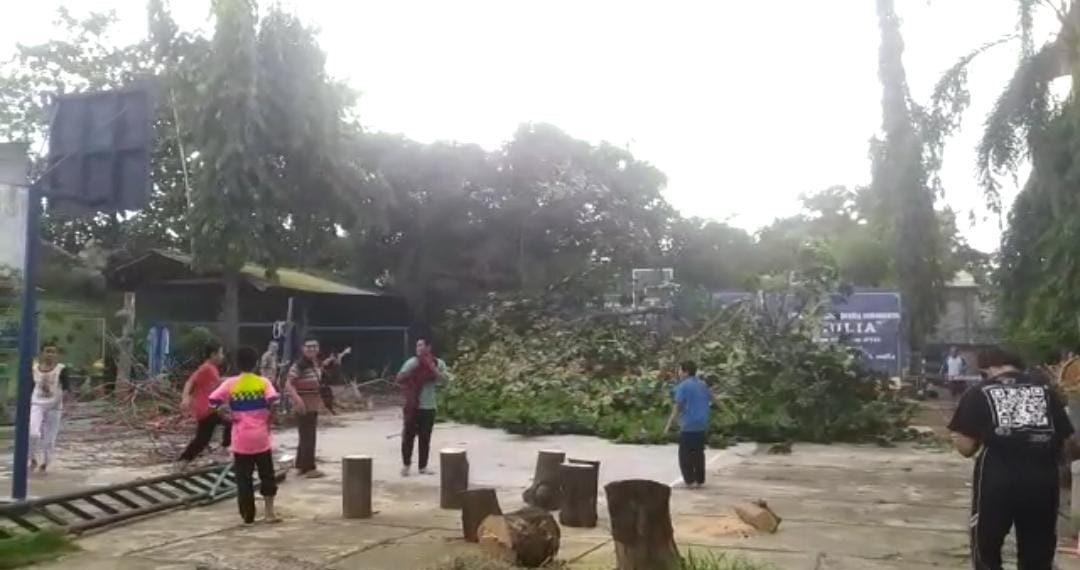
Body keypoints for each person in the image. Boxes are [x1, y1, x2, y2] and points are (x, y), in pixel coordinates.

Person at [948, 346, 1075, 570]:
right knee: (1038, 549)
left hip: (997, 481)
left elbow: (966, 446)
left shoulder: (979, 392)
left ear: (987, 367)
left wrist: (958, 436)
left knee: (987, 546)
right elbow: (1067, 441)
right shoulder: (1046, 392)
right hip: (1043, 480)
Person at [209, 347, 280, 525]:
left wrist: (227, 415)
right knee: (267, 476)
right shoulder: (263, 382)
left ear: (236, 364)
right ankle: (270, 513)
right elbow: (274, 401)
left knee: (243, 478)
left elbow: (213, 400)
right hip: (261, 438)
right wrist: (269, 417)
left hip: (240, 439)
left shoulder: (230, 383)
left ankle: (248, 515)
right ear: (256, 363)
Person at [285, 337, 338, 478]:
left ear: (318, 349)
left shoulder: (313, 364)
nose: (312, 349)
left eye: (314, 346)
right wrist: (298, 400)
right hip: (304, 405)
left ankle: (301, 465)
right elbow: (288, 384)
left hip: (312, 404)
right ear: (303, 349)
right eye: (308, 347)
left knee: (306, 435)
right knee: (308, 436)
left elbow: (318, 374)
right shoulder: (300, 365)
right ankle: (309, 468)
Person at [396, 338, 448, 477]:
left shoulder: (438, 363)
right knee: (408, 436)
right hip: (413, 405)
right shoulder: (413, 362)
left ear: (429, 347)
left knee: (425, 438)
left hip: (429, 406)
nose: (418, 348)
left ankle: (423, 467)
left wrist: (432, 369)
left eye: (421, 345)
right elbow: (400, 378)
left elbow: (445, 380)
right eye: (417, 345)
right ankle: (406, 465)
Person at [176, 342, 230, 469]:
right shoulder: (206, 368)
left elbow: (218, 382)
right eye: (221, 353)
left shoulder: (211, 368)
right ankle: (223, 450)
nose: (222, 356)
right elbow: (190, 382)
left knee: (202, 439)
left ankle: (183, 462)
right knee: (231, 422)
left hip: (207, 409)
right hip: (206, 408)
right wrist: (185, 398)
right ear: (213, 354)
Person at [665, 361, 712, 488]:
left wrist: (669, 424)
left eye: (680, 370)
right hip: (701, 425)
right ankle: (700, 480)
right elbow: (713, 398)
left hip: (688, 425)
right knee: (698, 453)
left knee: (685, 454)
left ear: (686, 372)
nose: (678, 373)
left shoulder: (683, 386)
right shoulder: (702, 384)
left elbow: (677, 406)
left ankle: (690, 480)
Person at [29, 341, 72, 475]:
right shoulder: (34, 368)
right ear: (42, 353)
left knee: (49, 438)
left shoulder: (61, 369)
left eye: (53, 352)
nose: (50, 354)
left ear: (57, 355)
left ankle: (46, 462)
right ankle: (33, 458)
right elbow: (30, 386)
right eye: (47, 351)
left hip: (54, 406)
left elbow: (67, 388)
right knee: (33, 433)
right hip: (37, 403)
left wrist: (66, 402)